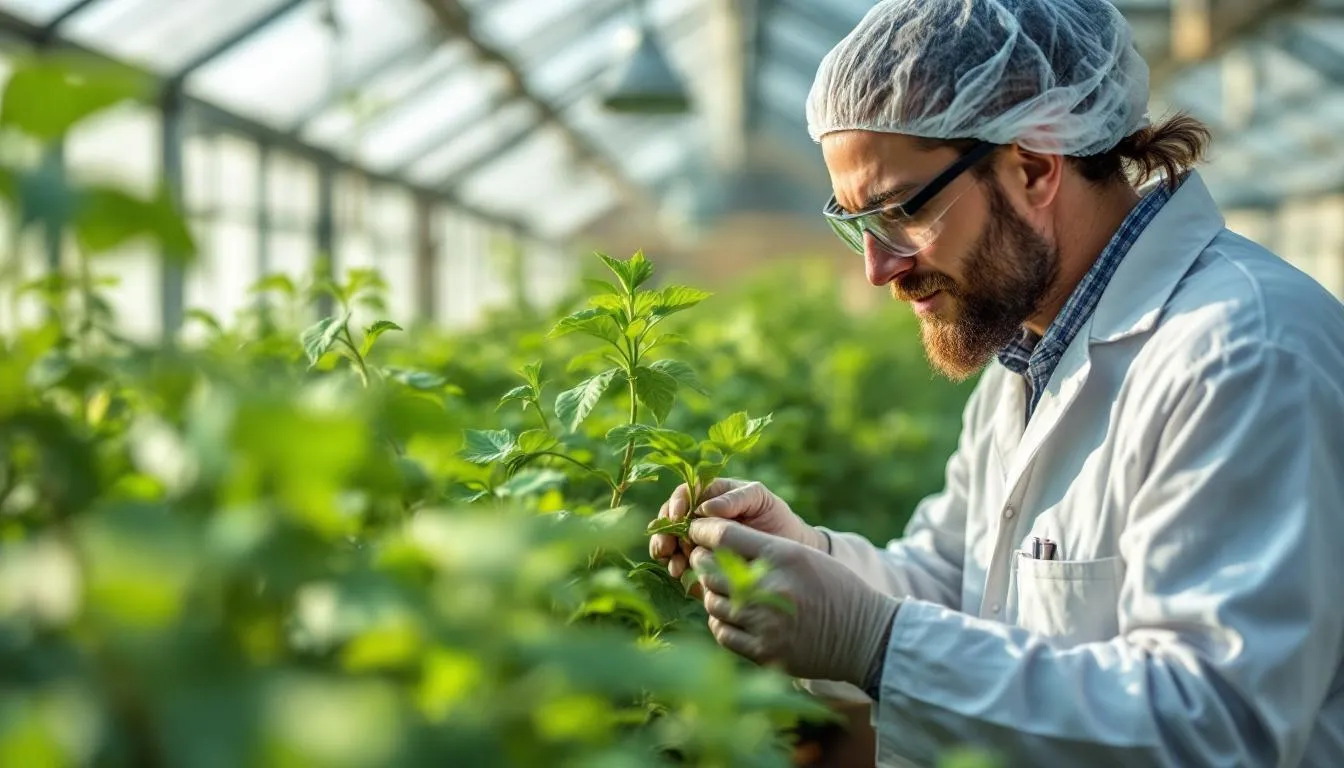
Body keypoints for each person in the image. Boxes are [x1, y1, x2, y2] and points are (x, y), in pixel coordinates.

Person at [648, 0, 1344, 765]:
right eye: (857, 225)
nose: (879, 268)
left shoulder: (1242, 353)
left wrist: (876, 644)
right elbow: (961, 588)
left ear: (1036, 167)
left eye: (901, 213)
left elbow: (1214, 727)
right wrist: (812, 561)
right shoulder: (1030, 352)